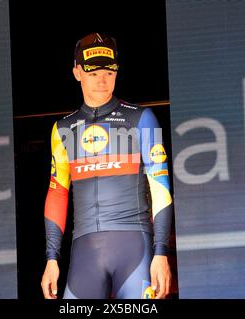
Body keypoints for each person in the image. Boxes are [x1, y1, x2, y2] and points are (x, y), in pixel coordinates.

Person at [41, 32, 173, 299]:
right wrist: (51, 258)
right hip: (84, 254)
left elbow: (161, 188)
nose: (102, 80)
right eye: (92, 73)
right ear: (77, 72)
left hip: (134, 247)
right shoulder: (62, 128)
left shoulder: (143, 119)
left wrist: (161, 253)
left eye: (109, 72)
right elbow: (57, 192)